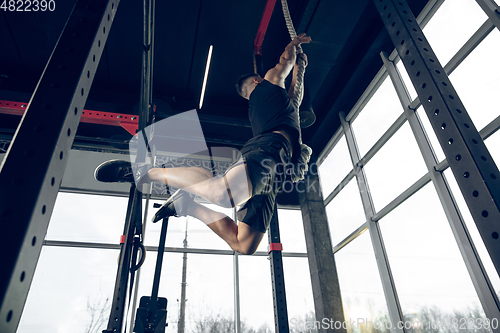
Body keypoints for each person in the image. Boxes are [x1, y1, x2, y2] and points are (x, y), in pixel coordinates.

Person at [95, 33, 311, 255]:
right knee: (224, 195)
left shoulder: (273, 103)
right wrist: (294, 44)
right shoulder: (268, 85)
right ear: (257, 80)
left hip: (277, 170)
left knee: (244, 244)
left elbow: (295, 95)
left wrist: (300, 67)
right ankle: (147, 172)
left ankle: (186, 205)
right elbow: (285, 60)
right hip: (271, 150)